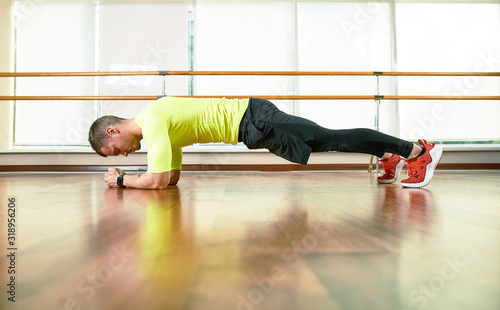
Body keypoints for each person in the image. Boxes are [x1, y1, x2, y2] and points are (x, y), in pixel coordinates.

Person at [88, 96, 442, 190]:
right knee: (326, 143)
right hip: (254, 125)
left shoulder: (154, 123)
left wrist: (121, 180)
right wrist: (138, 178)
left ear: (113, 132)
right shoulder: (158, 123)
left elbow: (159, 180)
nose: (124, 153)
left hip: (255, 121)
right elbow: (172, 178)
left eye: (116, 150)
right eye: (117, 157)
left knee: (331, 138)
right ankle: (390, 154)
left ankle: (415, 151)